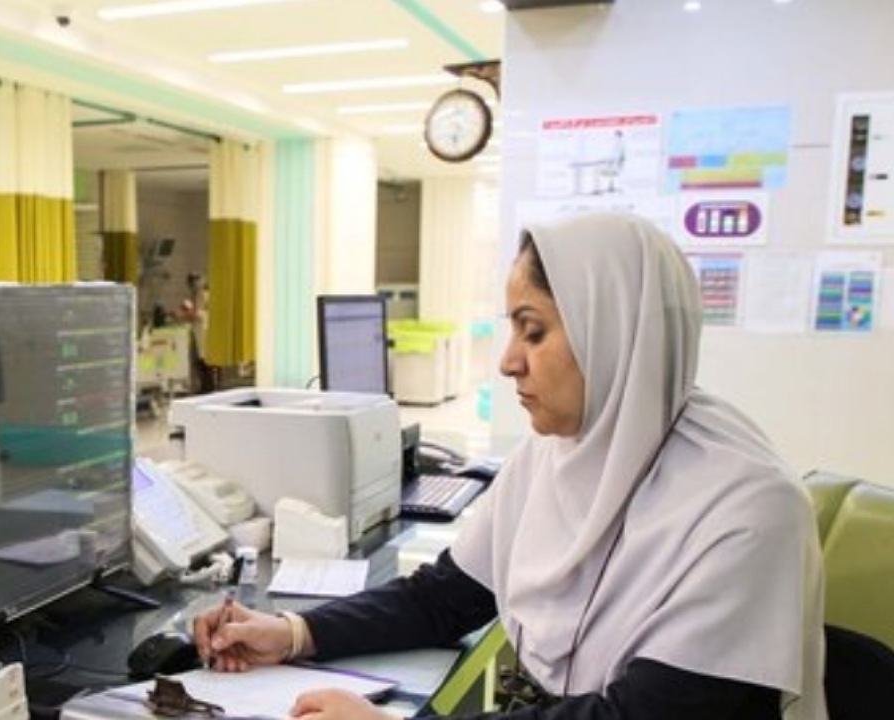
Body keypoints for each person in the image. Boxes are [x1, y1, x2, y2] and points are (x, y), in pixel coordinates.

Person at [193, 212, 826, 719]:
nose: (507, 361)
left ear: (614, 333)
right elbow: (444, 599)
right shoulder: (557, 452)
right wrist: (291, 631)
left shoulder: (747, 509)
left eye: (534, 331)